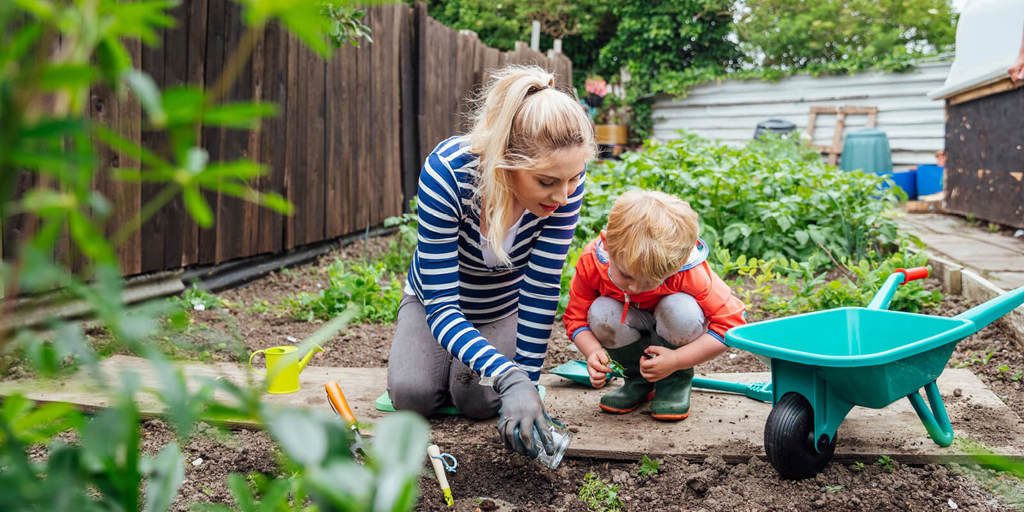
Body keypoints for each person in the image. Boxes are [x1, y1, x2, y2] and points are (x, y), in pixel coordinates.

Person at [387, 65, 596, 457]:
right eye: (547, 182)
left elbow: (539, 289)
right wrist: (508, 375)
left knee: (478, 400)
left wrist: (527, 385)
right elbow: (444, 308)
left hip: (501, 306)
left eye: (573, 178)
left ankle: (467, 368)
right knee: (411, 395)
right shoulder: (447, 173)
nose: (564, 196)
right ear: (505, 162)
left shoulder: (565, 183)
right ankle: (439, 360)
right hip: (436, 301)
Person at [562, 190, 746, 421]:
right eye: (627, 276)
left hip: (672, 330)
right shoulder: (593, 261)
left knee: (681, 310)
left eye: (652, 281)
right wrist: (593, 352)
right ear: (607, 244)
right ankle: (637, 381)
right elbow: (575, 318)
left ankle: (674, 382)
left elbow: (730, 325)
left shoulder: (689, 270)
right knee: (601, 311)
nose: (636, 288)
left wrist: (676, 361)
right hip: (629, 326)